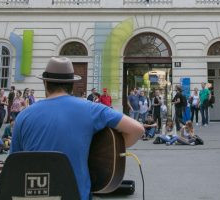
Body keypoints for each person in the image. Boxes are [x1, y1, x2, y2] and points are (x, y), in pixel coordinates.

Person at [11, 56, 143, 200]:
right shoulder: (91, 109)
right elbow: (137, 129)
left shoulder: (23, 116)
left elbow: (14, 164)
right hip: (76, 195)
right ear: (72, 84)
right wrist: (106, 150)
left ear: (45, 82)